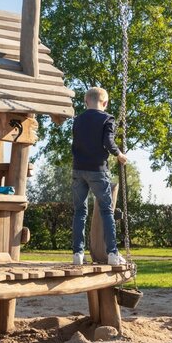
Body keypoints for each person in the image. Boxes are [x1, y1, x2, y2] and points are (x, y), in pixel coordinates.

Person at [71, 87, 128, 266]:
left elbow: (76, 142)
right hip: (98, 169)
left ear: (86, 101)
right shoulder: (107, 118)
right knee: (106, 211)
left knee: (80, 211)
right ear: (105, 103)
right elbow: (108, 142)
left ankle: (77, 254)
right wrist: (119, 154)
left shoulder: (77, 120)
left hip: (78, 169)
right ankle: (112, 254)